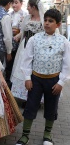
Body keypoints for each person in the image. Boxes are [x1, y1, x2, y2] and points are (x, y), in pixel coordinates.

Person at [15, 9, 70, 145]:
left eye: (50, 21)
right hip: (36, 79)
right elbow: (27, 59)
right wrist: (27, 77)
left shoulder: (64, 42)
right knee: (31, 106)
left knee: (51, 107)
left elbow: (67, 63)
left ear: (57, 24)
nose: (46, 23)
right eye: (45, 20)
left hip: (53, 80)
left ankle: (47, 135)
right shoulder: (34, 39)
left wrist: (61, 82)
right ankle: (25, 135)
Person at [10, 0, 44, 106]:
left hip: (38, 50)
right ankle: (24, 97)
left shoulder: (44, 19)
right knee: (24, 69)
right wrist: (17, 36)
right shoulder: (27, 18)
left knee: (35, 72)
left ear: (33, 7)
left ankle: (36, 98)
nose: (27, 8)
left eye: (28, 6)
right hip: (25, 47)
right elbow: (23, 32)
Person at [5, 0, 28, 88]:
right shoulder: (8, 14)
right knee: (9, 66)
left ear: (21, 3)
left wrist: (19, 34)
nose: (14, 5)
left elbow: (26, 30)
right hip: (10, 43)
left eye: (16, 2)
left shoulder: (25, 15)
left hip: (20, 44)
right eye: (12, 3)